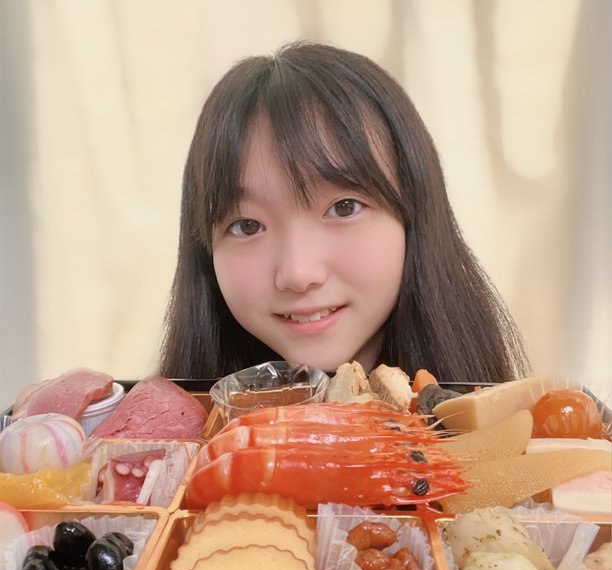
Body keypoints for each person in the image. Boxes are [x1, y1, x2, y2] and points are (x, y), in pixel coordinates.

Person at [159, 41, 531, 383]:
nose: (299, 274)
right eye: (247, 225)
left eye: (343, 207)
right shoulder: (171, 434)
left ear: (414, 214)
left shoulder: (515, 427)